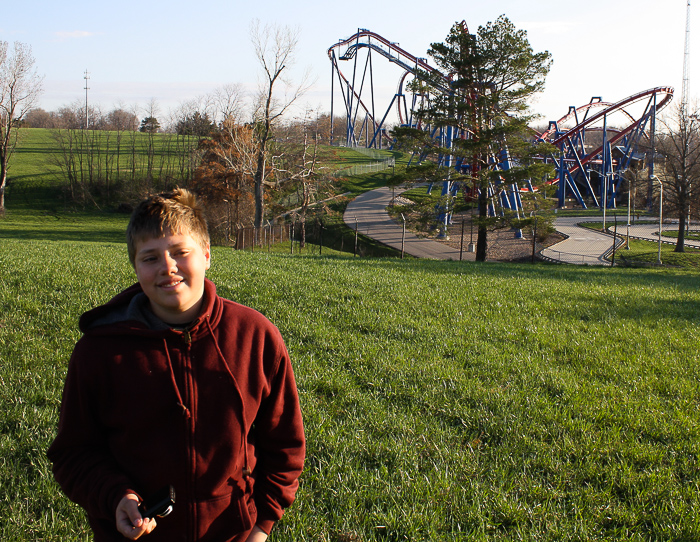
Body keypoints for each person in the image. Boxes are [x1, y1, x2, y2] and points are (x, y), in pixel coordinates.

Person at [47, 189, 305, 542]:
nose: (167, 267)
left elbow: (285, 445)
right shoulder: (99, 351)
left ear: (207, 255)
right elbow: (72, 454)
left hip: (234, 534)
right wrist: (116, 495)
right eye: (150, 258)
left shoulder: (255, 337)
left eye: (180, 253)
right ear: (135, 266)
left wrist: (262, 526)